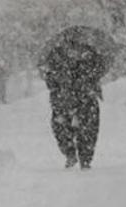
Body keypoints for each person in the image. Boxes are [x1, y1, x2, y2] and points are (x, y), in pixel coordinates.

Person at [39, 37, 107, 170]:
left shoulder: (91, 55)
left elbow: (99, 72)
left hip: (83, 100)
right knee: (63, 130)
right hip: (65, 101)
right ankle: (72, 155)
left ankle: (84, 159)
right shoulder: (56, 56)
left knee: (87, 131)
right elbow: (50, 81)